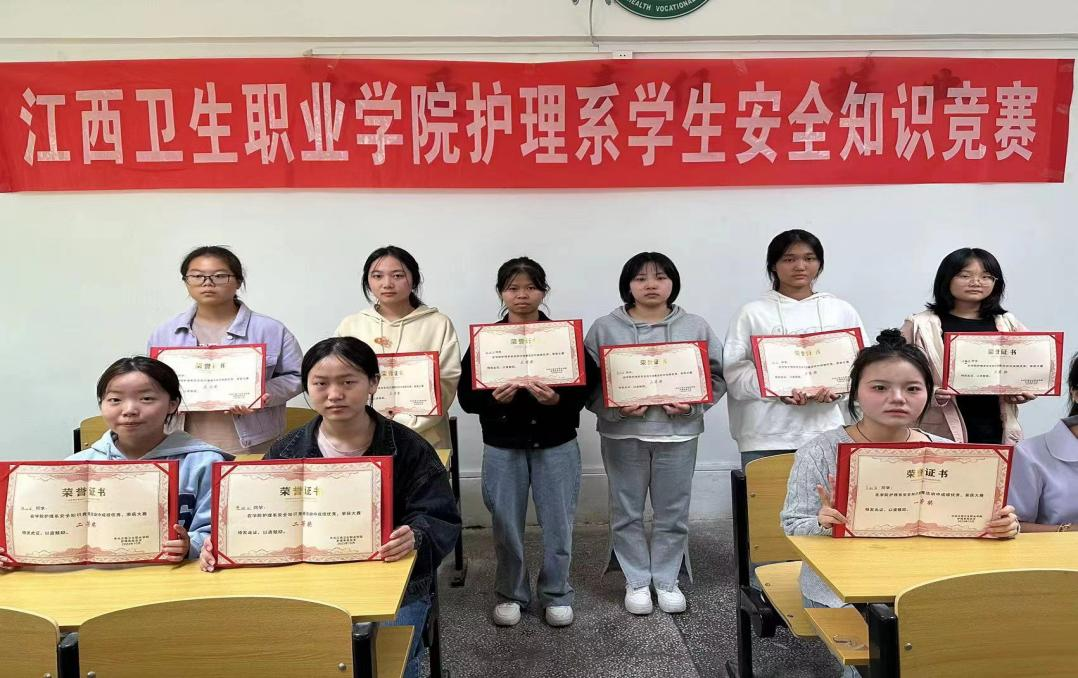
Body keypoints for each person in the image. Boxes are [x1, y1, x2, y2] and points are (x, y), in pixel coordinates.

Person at [200, 337, 459, 678]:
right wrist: (224, 543)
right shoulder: (287, 450)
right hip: (306, 581)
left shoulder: (409, 447)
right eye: (320, 384)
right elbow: (253, 514)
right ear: (307, 387)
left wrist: (415, 535)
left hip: (392, 580)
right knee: (298, 656)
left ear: (373, 383)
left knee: (389, 661)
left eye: (348, 382)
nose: (335, 394)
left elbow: (439, 515)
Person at [781, 331, 1018, 676]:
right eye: (879, 387)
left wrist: (1003, 524)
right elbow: (792, 525)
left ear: (928, 394)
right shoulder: (820, 452)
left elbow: (975, 523)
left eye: (912, 388)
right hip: (842, 589)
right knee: (877, 661)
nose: (897, 398)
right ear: (856, 392)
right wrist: (822, 522)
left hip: (926, 579)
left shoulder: (948, 452)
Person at [457, 257, 598, 628]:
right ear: (501, 293)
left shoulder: (562, 337)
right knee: (505, 524)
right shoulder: (487, 341)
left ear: (543, 291)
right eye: (513, 288)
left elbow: (589, 386)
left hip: (556, 442)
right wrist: (493, 401)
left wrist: (557, 400)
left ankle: (557, 593)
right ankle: (510, 594)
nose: (522, 295)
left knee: (559, 523)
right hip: (503, 445)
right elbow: (467, 397)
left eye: (531, 287)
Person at [584, 252, 726, 616]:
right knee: (626, 511)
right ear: (627, 285)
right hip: (622, 435)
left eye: (660, 277)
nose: (651, 285)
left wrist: (693, 406)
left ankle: (666, 579)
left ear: (672, 283)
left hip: (679, 435)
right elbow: (587, 384)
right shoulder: (604, 328)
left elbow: (717, 376)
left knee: (672, 512)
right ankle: (636, 580)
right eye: (641, 278)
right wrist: (615, 409)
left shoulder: (695, 326)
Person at [724, 229, 865, 466]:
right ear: (773, 265)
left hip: (828, 430)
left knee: (826, 492)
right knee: (766, 492)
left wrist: (840, 389)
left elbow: (863, 368)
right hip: (766, 434)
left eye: (809, 258)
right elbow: (734, 373)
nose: (800, 266)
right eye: (789, 259)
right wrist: (778, 388)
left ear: (819, 264)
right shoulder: (752, 313)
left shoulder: (841, 311)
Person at [147, 246, 302, 454]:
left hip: (253, 441)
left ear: (238, 281)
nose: (207, 283)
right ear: (186, 281)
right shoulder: (165, 332)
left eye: (219, 276)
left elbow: (298, 376)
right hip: (181, 440)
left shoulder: (271, 329)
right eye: (197, 276)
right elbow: (152, 384)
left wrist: (261, 393)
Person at [77, 357, 226, 560]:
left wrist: (190, 546)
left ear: (172, 404)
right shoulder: (76, 466)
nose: (129, 410)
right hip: (100, 573)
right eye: (115, 400)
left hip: (178, 573)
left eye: (146, 398)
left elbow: (219, 532)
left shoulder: (205, 463)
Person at [901, 247, 1035, 444]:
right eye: (965, 275)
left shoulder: (1008, 323)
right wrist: (931, 392)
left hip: (994, 426)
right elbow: (895, 375)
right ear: (946, 279)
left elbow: (1030, 367)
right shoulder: (920, 325)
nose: (976, 282)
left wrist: (1021, 390)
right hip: (937, 427)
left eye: (986, 276)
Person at [336, 246, 461, 451]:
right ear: (367, 281)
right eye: (377, 276)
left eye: (397, 275)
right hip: (364, 434)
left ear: (414, 279)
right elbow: (340, 379)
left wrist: (409, 423)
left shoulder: (437, 323)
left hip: (425, 435)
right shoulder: (351, 325)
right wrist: (368, 422)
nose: (387, 284)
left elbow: (447, 379)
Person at [1010, 352, 1078, 532]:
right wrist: (1068, 531)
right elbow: (1014, 526)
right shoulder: (1028, 454)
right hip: (1056, 550)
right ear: (1075, 393)